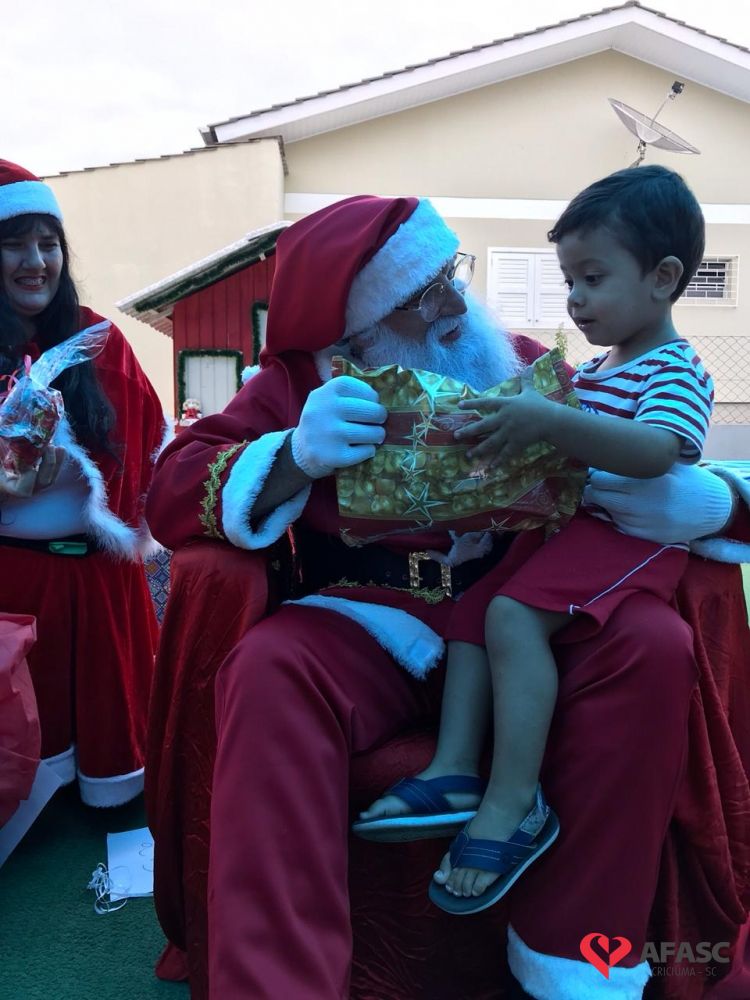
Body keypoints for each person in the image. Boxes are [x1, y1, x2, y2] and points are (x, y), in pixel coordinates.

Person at [145, 194, 750, 999]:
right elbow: (170, 490)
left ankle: (576, 961)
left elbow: (651, 447)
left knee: (653, 644)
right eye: (425, 297)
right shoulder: (299, 382)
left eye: (451, 278)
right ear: (360, 331)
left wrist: (713, 503)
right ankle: (277, 984)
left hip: (519, 608)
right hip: (367, 618)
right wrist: (292, 455)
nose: (456, 307)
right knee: (268, 669)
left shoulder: (518, 363)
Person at [355, 166, 715, 917]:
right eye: (569, 281)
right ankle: (455, 766)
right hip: (574, 529)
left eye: (593, 279)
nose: (575, 299)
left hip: (627, 539)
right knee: (473, 608)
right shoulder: (599, 367)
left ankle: (514, 801)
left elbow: (657, 452)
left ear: (663, 278)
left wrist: (552, 420)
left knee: (513, 617)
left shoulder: (675, 369)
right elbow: (563, 440)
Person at [0, 159, 167, 806]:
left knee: (112, 787)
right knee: (23, 781)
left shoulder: (100, 340)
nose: (35, 261)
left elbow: (148, 445)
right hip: (12, 591)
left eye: (48, 244)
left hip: (100, 587)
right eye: (14, 244)